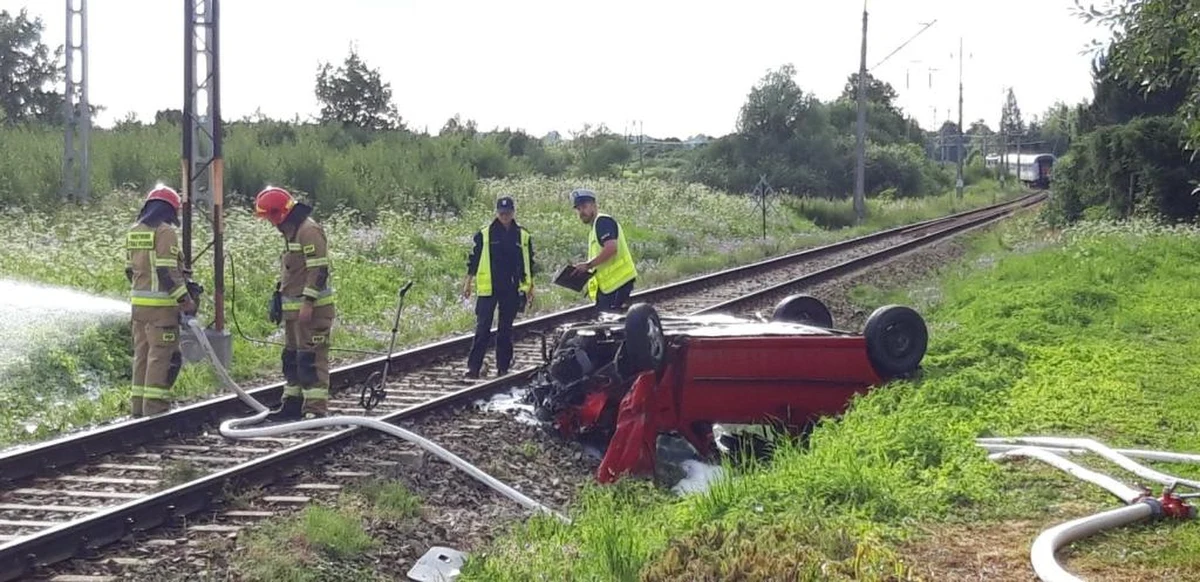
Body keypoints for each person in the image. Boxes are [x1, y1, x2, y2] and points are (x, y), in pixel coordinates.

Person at [253, 186, 337, 420]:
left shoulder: (308, 231)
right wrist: (279, 297)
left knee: (311, 359)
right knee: (292, 357)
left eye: (269, 217)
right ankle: (293, 403)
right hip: (293, 314)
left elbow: (318, 269)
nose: (270, 223)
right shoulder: (291, 231)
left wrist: (308, 303)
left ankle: (315, 410)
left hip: (312, 311)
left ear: (279, 213)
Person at [125, 185, 195, 418]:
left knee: (142, 354)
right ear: (169, 210)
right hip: (162, 309)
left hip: (139, 307)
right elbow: (166, 271)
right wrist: (184, 299)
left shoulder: (134, 230)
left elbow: (129, 271)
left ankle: (138, 408)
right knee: (162, 356)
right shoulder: (165, 232)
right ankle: (155, 411)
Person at [461, 195, 535, 379]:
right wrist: (468, 281)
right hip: (488, 288)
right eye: (501, 213)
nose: (504, 216)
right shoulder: (485, 234)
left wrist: (530, 286)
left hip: (511, 287)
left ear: (513, 213)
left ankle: (503, 367)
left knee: (505, 330)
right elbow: (474, 259)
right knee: (482, 329)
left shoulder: (523, 235)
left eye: (507, 213)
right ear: (497, 213)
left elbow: (529, 262)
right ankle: (473, 367)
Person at [570, 188, 637, 312]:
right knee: (606, 320)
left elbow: (611, 249)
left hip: (619, 283)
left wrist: (588, 265)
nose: (581, 212)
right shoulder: (595, 228)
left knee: (611, 321)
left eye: (584, 207)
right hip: (610, 285)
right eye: (578, 209)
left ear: (594, 206)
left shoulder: (602, 221)